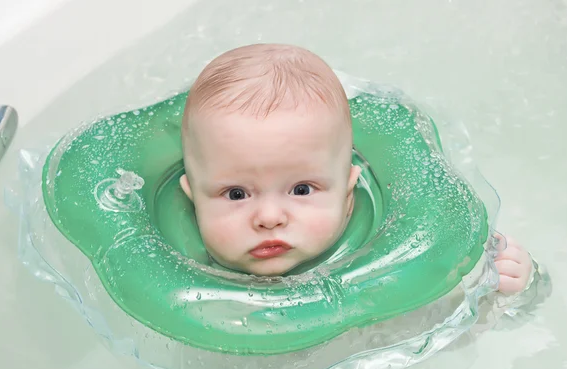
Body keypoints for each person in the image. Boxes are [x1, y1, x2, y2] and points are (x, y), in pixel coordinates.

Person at [179, 43, 532, 293]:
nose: (269, 217)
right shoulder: (176, 266)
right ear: (192, 196)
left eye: (302, 189)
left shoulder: (387, 257)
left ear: (349, 191)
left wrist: (513, 288)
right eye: (236, 193)